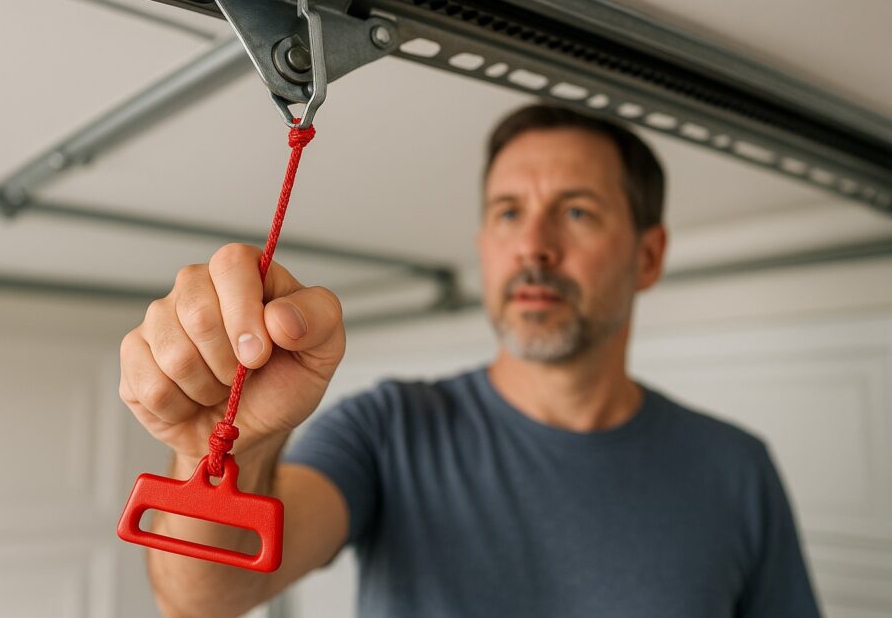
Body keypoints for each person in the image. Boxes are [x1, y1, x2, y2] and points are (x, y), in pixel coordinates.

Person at [118, 104, 822, 617]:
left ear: (648, 255)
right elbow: (209, 594)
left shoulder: (737, 468)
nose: (534, 246)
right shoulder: (389, 428)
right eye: (508, 212)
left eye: (577, 211)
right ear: (483, 243)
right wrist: (223, 447)